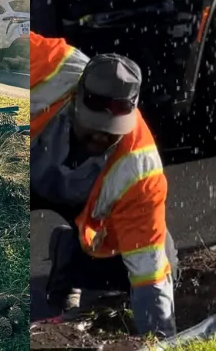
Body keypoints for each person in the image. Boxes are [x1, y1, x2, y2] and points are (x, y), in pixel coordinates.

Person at [30, 32, 177, 338]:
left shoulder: (140, 169)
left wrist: (159, 340)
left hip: (84, 199)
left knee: (166, 265)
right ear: (76, 99)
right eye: (93, 126)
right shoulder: (47, 64)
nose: (100, 137)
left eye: (111, 133)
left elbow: (149, 274)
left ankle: (70, 256)